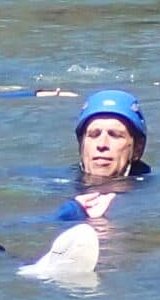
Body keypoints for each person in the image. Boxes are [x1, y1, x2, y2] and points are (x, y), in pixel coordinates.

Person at [65, 88, 152, 223]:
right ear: (81, 144)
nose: (102, 144)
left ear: (137, 149)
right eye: (94, 135)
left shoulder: (157, 195)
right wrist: (71, 212)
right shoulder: (52, 186)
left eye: (115, 135)